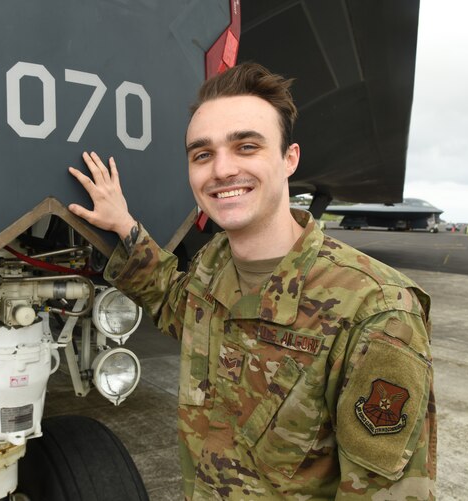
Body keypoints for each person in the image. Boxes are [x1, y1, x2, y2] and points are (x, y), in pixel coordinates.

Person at [68, 63, 436, 500]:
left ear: (289, 159)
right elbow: (171, 299)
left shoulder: (376, 311)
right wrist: (125, 225)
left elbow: (388, 493)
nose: (221, 170)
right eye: (202, 154)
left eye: (246, 147)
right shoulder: (214, 265)